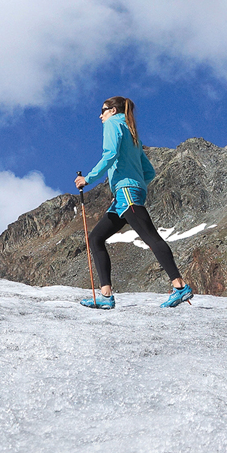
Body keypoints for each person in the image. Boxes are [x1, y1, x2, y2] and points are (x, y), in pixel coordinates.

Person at [75, 96, 193, 309]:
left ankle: (180, 286)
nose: (100, 115)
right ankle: (106, 295)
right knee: (96, 238)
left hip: (126, 192)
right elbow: (149, 171)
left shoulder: (112, 124)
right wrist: (135, 184)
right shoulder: (131, 131)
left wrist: (88, 179)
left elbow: (110, 154)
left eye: (103, 110)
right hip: (126, 195)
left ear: (113, 110)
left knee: (150, 237)